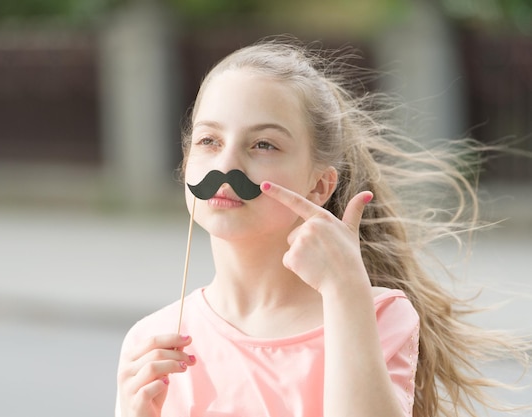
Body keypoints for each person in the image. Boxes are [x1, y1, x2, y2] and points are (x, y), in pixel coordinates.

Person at [115, 37, 529, 417]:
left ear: (319, 185)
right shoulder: (153, 340)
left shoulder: (375, 315)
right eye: (209, 141)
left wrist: (346, 291)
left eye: (263, 145)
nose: (225, 166)